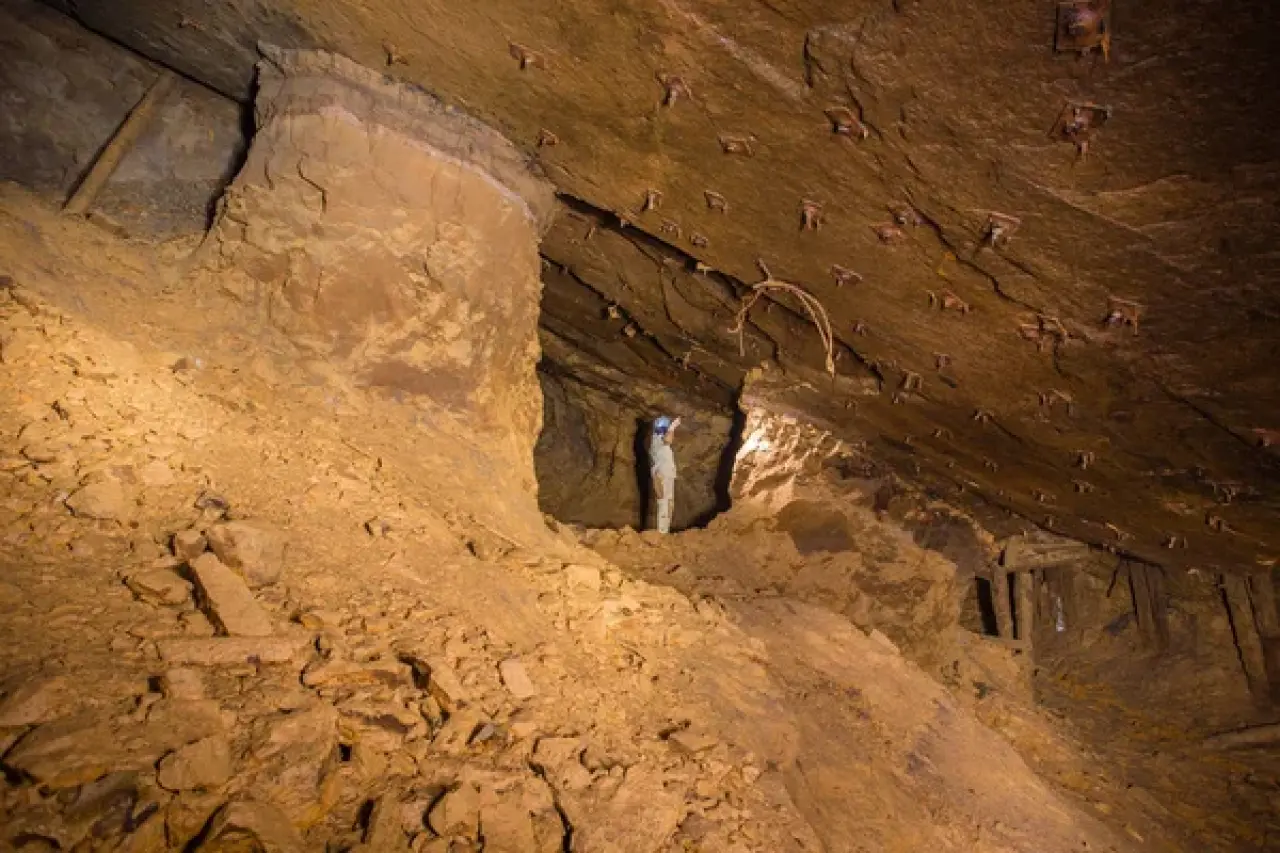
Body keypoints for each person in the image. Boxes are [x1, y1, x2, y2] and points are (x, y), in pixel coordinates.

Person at [648, 415, 681, 534]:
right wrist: (673, 426)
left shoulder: (658, 442)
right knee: (664, 502)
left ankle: (664, 531)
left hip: (665, 475)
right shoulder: (657, 439)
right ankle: (662, 533)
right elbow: (668, 440)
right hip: (662, 475)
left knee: (668, 503)